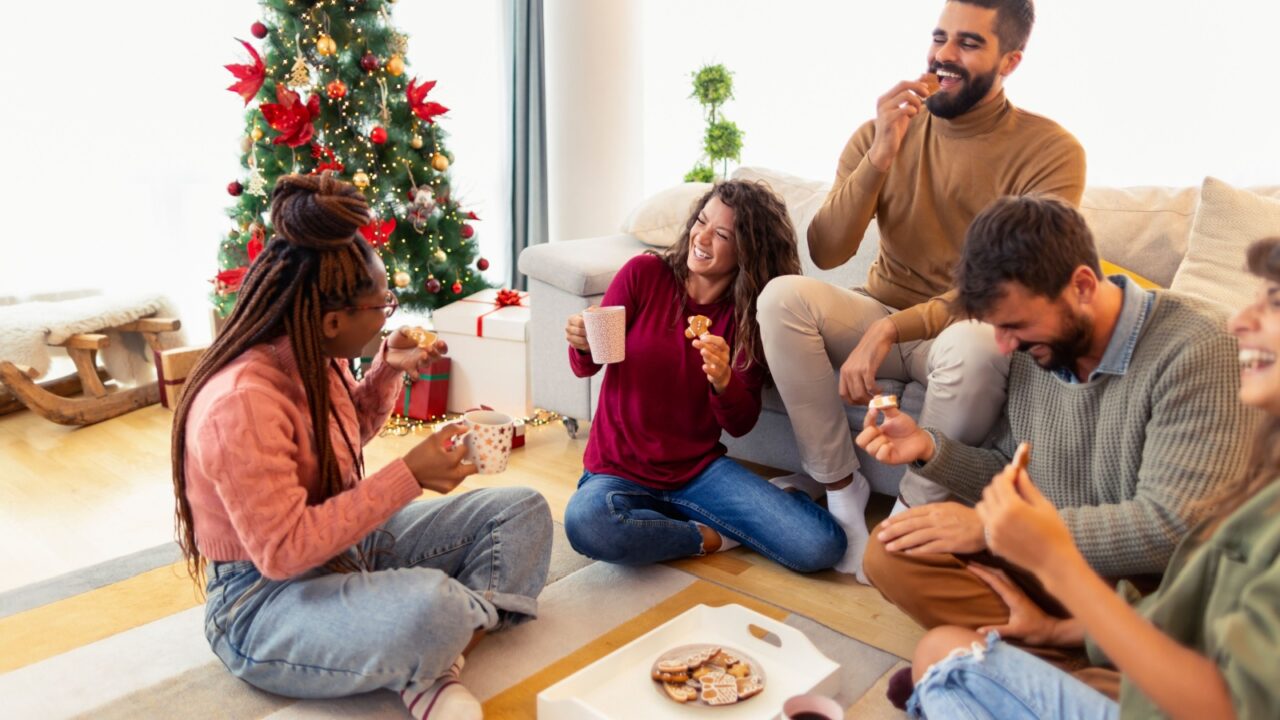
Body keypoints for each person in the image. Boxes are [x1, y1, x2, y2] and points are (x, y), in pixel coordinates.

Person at [171, 175, 553, 720]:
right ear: (332, 320)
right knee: (432, 605)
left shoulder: (308, 351)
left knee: (523, 511)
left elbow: (342, 442)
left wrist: (384, 371)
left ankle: (426, 656)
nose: (389, 315)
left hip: (349, 548)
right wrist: (409, 476)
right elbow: (283, 554)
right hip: (263, 600)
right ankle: (431, 646)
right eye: (382, 305)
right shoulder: (241, 404)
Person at [856, 195, 1257, 699]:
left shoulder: (1199, 347)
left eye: (1015, 325)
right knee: (892, 550)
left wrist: (991, 529)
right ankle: (1067, 670)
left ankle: (1041, 675)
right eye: (996, 327)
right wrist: (928, 448)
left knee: (946, 608)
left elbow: (1172, 528)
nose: (1003, 346)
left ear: (1083, 286)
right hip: (1053, 564)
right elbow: (1012, 469)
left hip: (1153, 591)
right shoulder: (1038, 350)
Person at [757, 0, 1086, 582]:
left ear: (1010, 60)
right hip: (877, 306)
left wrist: (891, 329)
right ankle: (841, 492)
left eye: (968, 43)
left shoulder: (1051, 152)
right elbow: (828, 250)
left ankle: (911, 514)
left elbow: (1012, 286)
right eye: (939, 38)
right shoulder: (884, 130)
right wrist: (881, 153)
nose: (943, 55)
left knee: (980, 343)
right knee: (782, 298)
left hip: (959, 328)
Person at [562, 180, 847, 572]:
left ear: (747, 250)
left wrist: (724, 381)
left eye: (722, 234)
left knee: (820, 548)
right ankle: (712, 535)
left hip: (696, 473)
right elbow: (588, 365)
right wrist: (581, 342)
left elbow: (741, 422)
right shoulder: (644, 274)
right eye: (701, 221)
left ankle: (783, 497)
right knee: (587, 524)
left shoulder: (751, 318)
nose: (702, 237)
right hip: (616, 472)